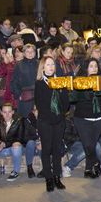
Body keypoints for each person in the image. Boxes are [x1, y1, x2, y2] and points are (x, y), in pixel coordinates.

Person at [34, 55, 70, 192]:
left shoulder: (60, 81)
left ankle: (56, 177)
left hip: (59, 121)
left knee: (57, 150)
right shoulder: (39, 83)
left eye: (52, 65)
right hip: (46, 122)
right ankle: (48, 178)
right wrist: (53, 117)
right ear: (42, 67)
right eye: (48, 64)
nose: (51, 67)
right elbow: (40, 104)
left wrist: (62, 91)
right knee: (46, 150)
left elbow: (66, 104)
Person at [69, 58, 101, 179]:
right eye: (91, 66)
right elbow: (73, 98)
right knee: (88, 145)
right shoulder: (79, 81)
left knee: (92, 144)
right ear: (86, 69)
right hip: (83, 118)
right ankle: (96, 163)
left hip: (99, 118)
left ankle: (88, 169)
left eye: (95, 66)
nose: (94, 68)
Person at [10, 44, 38, 117]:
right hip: (25, 96)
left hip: (39, 95)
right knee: (25, 118)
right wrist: (18, 95)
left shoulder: (39, 63)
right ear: (24, 53)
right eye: (27, 51)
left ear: (35, 53)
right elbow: (14, 81)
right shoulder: (19, 65)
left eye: (32, 51)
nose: (30, 53)